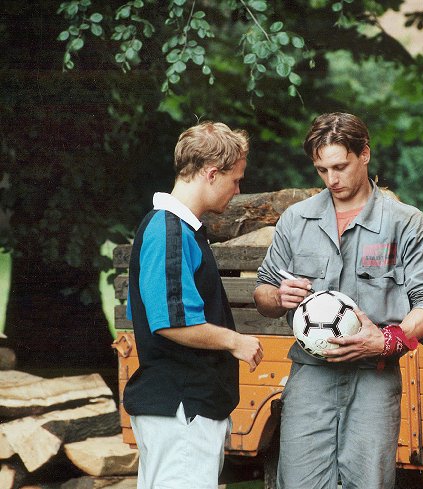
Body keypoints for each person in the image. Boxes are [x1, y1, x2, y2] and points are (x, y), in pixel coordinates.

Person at [254, 112, 423, 489]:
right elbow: (262, 290)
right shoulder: (297, 219)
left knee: (369, 482)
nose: (331, 180)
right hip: (310, 377)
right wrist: (277, 297)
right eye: (322, 170)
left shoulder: (405, 222)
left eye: (340, 166)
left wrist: (390, 340)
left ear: (365, 155)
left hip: (374, 377)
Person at [123, 121, 264, 489]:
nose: (237, 190)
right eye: (235, 179)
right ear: (212, 173)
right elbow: (170, 321)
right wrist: (236, 341)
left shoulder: (181, 230)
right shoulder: (167, 230)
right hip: (180, 408)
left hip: (184, 407)